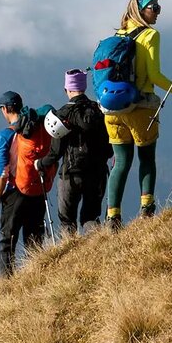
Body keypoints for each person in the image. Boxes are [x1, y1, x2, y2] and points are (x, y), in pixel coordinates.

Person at [104, 0, 172, 231]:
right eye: (154, 7)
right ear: (140, 10)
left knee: (121, 162)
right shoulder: (150, 35)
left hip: (112, 109)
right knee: (146, 158)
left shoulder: (118, 35)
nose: (158, 11)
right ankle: (147, 209)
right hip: (141, 106)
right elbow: (154, 76)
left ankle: (112, 217)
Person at [34, 69, 110, 235]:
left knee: (67, 221)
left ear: (67, 89)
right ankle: (95, 252)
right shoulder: (98, 111)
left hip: (70, 174)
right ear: (84, 87)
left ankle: (70, 253)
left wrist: (40, 163)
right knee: (91, 217)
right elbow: (108, 144)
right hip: (97, 173)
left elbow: (55, 153)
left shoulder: (62, 114)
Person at [0, 90, 55, 275]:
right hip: (38, 187)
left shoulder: (5, 135)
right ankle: (37, 277)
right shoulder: (37, 127)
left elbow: (2, 171)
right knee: (34, 238)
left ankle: (5, 285)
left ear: (6, 109)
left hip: (15, 191)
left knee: (7, 240)